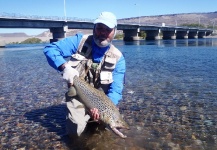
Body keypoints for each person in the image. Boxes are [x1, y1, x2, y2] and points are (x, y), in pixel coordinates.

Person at [43, 12, 126, 137]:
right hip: (78, 93)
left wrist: (108, 108)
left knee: (103, 130)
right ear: (94, 29)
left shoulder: (119, 58)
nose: (102, 33)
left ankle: (96, 120)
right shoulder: (79, 41)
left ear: (115, 31)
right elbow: (50, 49)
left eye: (107, 29)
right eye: (99, 28)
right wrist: (65, 67)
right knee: (76, 131)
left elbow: (116, 90)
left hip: (101, 100)